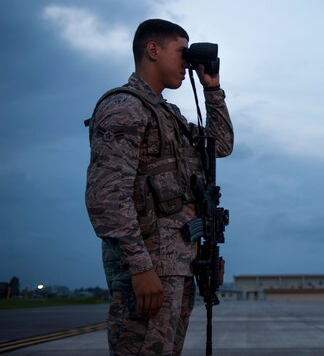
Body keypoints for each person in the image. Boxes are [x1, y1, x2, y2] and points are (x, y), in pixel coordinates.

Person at [85, 19, 233, 356]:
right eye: (182, 53)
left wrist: (212, 88)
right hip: (149, 271)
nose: (187, 63)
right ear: (153, 50)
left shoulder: (169, 116)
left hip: (178, 269)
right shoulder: (124, 107)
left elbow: (221, 145)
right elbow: (106, 197)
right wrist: (140, 267)